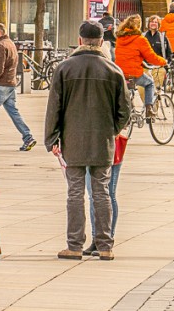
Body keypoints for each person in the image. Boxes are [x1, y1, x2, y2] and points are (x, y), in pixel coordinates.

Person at [45, 21, 130, 262]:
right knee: (101, 191)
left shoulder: (64, 68)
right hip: (102, 141)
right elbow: (125, 111)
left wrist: (52, 138)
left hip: (72, 140)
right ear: (102, 42)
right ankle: (105, 245)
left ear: (80, 40)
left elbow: (54, 108)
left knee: (74, 193)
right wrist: (111, 129)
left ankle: (74, 245)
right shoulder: (113, 70)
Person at [0, 24, 36, 151]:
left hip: (0, 85)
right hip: (10, 84)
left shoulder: (0, 46)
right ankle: (27, 136)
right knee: (14, 112)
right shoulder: (10, 44)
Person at [113, 15, 165, 119]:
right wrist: (163, 61)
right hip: (133, 73)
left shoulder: (120, 38)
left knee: (128, 90)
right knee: (150, 83)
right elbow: (151, 57)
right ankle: (149, 109)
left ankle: (129, 110)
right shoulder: (140, 39)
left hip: (119, 72)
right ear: (138, 26)